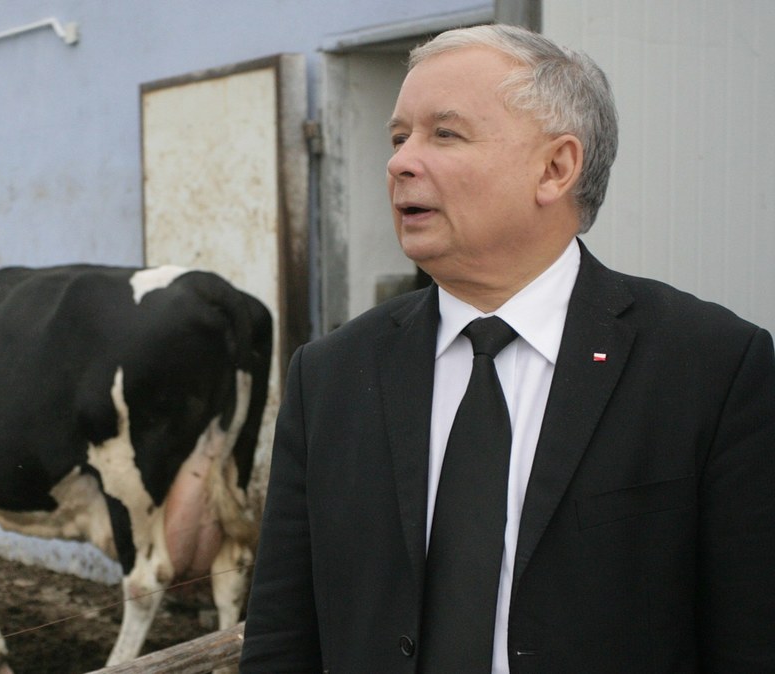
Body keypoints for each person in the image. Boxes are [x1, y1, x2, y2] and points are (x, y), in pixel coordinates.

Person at [240, 24, 775, 673]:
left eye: (445, 133)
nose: (401, 161)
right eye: (398, 136)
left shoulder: (711, 367)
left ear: (555, 168)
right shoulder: (328, 376)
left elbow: (749, 639)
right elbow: (281, 637)